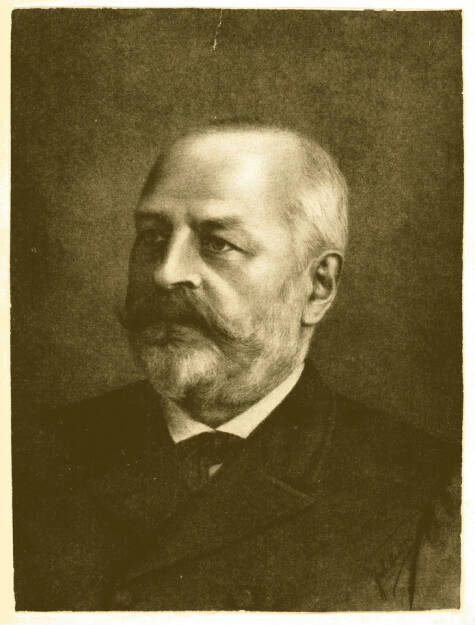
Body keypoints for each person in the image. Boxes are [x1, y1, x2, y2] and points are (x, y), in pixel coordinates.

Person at [13, 123, 460, 611]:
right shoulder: (27, 459)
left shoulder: (432, 492)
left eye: (218, 243)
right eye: (152, 236)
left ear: (318, 286)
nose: (165, 272)